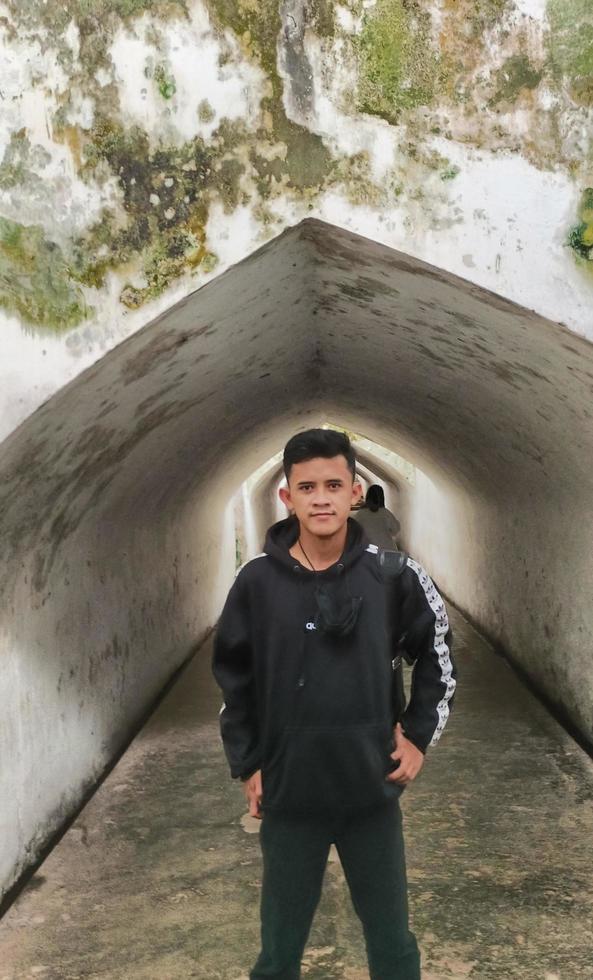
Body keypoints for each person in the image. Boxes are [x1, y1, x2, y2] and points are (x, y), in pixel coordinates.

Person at [212, 429, 456, 980]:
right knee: (278, 949)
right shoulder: (255, 584)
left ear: (354, 491)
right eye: (306, 487)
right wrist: (249, 762)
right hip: (290, 794)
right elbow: (235, 680)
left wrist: (417, 737)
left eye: (332, 485)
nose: (320, 498)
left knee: (392, 944)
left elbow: (439, 656)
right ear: (287, 497)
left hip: (370, 791)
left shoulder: (394, 576)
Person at [353, 484, 401, 550]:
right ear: (382, 497)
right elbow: (396, 530)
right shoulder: (386, 513)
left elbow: (354, 533)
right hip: (387, 551)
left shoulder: (360, 514)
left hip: (367, 551)